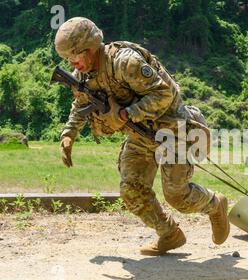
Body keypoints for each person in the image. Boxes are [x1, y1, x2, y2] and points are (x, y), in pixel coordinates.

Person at [54, 17, 230, 255]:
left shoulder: (125, 62)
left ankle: (215, 205)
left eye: (75, 56)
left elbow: (164, 94)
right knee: (131, 189)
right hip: (139, 136)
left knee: (176, 196)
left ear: (91, 48)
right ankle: (169, 234)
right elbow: (81, 104)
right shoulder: (83, 75)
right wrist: (69, 134)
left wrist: (126, 114)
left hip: (170, 130)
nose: (72, 63)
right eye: (68, 58)